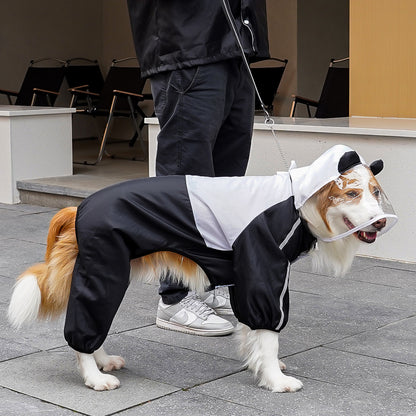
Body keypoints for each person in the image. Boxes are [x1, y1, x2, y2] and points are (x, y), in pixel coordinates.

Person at [127, 0, 270, 336]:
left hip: (236, 47)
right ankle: (174, 297)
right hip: (187, 45)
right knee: (185, 182)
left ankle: (208, 282)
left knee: (227, 185)